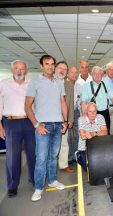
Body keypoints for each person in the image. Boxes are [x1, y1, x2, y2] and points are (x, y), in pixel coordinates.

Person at [25, 55, 68, 201]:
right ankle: (38, 187)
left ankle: (52, 180)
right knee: (41, 158)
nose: (50, 67)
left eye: (52, 64)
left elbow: (62, 102)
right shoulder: (35, 82)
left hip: (58, 125)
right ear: (41, 66)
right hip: (43, 126)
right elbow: (27, 106)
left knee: (53, 156)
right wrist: (37, 125)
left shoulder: (59, 82)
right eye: (47, 64)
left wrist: (65, 121)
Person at [0, 60, 35, 198]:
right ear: (12, 70)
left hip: (29, 122)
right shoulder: (3, 84)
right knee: (13, 157)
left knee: (33, 154)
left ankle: (34, 180)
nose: (19, 71)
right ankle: (12, 186)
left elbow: (36, 104)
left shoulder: (31, 84)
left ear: (26, 70)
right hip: (11, 123)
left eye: (22, 69)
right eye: (17, 68)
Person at [81, 66, 113, 130]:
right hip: (92, 114)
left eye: (99, 74)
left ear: (102, 75)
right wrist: (84, 115)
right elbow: (83, 102)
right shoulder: (86, 86)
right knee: (93, 134)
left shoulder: (106, 84)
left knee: (106, 133)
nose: (97, 75)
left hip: (105, 113)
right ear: (92, 75)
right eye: (95, 73)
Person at [54, 61, 74, 173]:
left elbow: (70, 104)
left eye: (65, 69)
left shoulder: (69, 86)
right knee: (49, 145)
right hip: (49, 119)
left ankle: (63, 164)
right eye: (60, 68)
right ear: (55, 69)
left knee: (64, 143)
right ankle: (49, 167)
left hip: (63, 120)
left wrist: (69, 120)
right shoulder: (48, 82)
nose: (62, 70)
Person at [76, 102, 107, 170]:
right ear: (86, 111)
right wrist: (99, 132)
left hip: (98, 147)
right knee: (89, 168)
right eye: (90, 111)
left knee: (103, 165)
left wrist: (93, 134)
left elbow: (105, 132)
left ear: (97, 111)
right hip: (84, 149)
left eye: (94, 111)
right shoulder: (81, 119)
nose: (92, 114)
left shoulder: (100, 117)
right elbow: (83, 136)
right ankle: (78, 155)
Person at [66, 66, 83, 164]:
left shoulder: (79, 87)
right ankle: (67, 158)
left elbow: (81, 102)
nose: (74, 74)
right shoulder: (63, 85)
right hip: (66, 113)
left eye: (76, 72)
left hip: (76, 112)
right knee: (67, 137)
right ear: (67, 74)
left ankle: (75, 156)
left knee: (77, 135)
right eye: (72, 72)